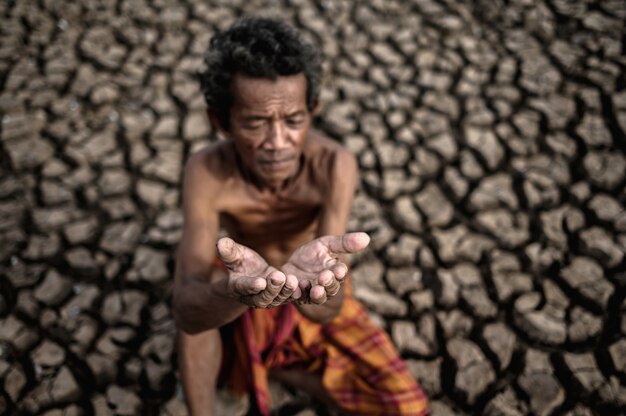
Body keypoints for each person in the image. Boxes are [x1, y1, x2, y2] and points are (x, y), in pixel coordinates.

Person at [172, 16, 428, 416]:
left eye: (293, 121)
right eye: (256, 123)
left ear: (313, 110)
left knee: (407, 406)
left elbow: (330, 310)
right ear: (219, 122)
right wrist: (235, 291)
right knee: (198, 325)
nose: (278, 143)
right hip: (243, 282)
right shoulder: (206, 173)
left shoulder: (334, 166)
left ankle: (268, 364)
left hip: (306, 283)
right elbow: (186, 309)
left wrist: (314, 288)